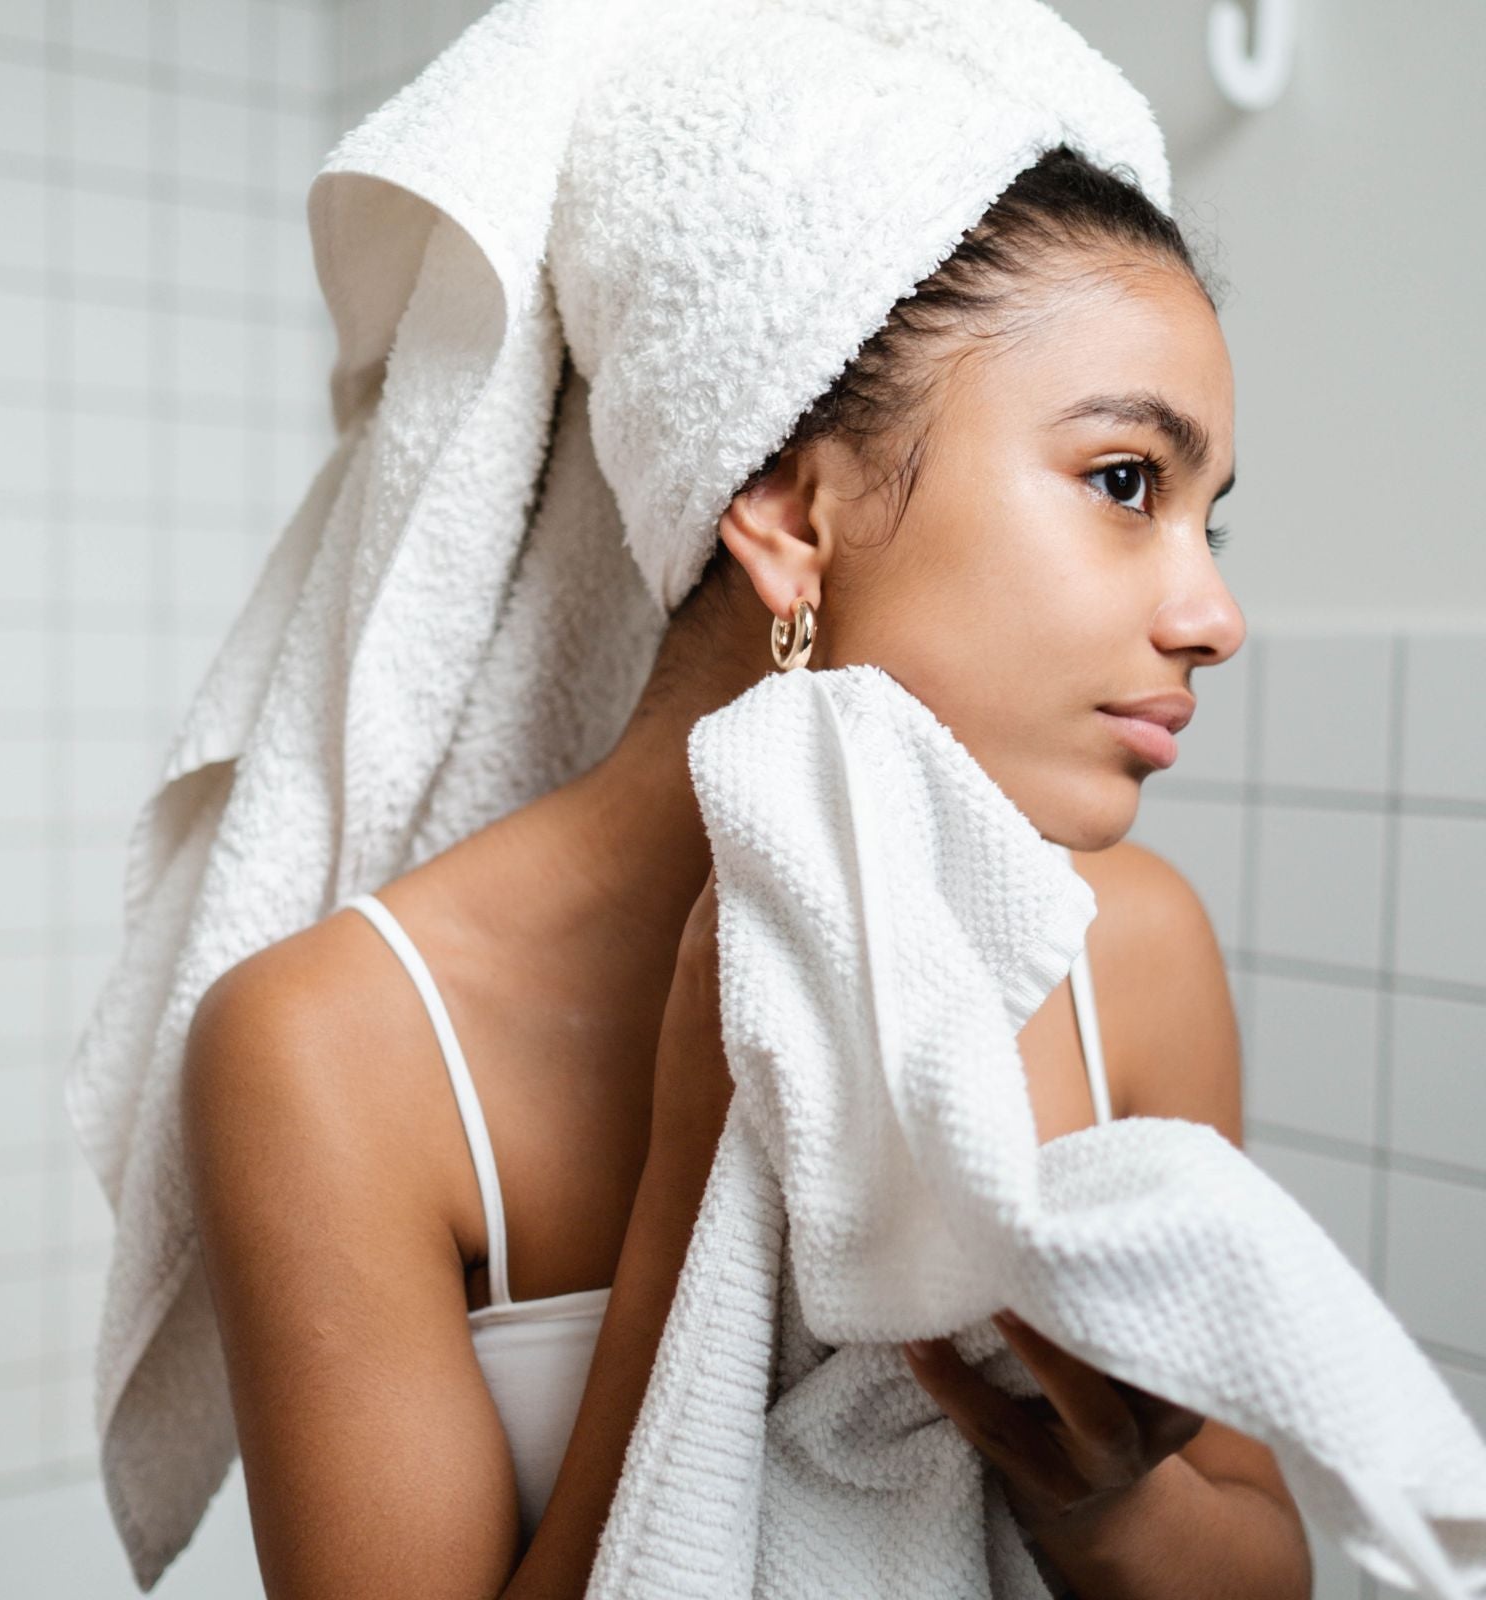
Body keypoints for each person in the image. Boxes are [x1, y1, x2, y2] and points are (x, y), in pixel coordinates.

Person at [178, 146, 1313, 1599]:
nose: (1214, 614)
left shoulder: (1137, 951)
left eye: (1203, 518)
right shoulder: (337, 1050)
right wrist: (699, 1176)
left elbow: (1272, 1569)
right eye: (1120, 479)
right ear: (792, 518)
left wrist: (1104, 1505)